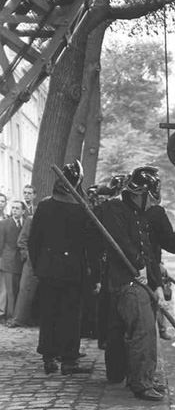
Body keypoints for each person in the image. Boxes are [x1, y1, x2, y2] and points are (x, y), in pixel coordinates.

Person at [96, 166, 164, 401]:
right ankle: (140, 383)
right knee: (142, 331)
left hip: (140, 281)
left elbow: (147, 249)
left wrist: (154, 278)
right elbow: (122, 242)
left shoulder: (136, 213)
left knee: (147, 331)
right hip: (127, 282)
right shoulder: (115, 208)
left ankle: (145, 376)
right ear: (140, 193)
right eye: (150, 197)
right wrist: (139, 265)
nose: (152, 202)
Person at [28, 160, 100, 374]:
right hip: (71, 271)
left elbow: (34, 242)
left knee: (49, 313)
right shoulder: (82, 210)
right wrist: (93, 272)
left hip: (48, 270)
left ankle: (49, 358)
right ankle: (69, 360)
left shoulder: (44, 205)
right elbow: (91, 245)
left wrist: (38, 266)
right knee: (70, 314)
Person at [143, 169, 175, 340]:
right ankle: (160, 330)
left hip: (140, 268)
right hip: (147, 272)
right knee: (156, 298)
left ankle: (161, 328)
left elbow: (151, 244)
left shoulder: (125, 211)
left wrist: (160, 263)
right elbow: (173, 244)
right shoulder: (155, 213)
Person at [0, 200, 27, 322]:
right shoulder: (4, 223)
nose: (14, 210)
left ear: (23, 211)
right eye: (13, 208)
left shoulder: (25, 223)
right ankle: (9, 316)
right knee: (9, 290)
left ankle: (16, 315)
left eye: (17, 208)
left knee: (18, 288)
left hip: (21, 260)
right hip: (8, 260)